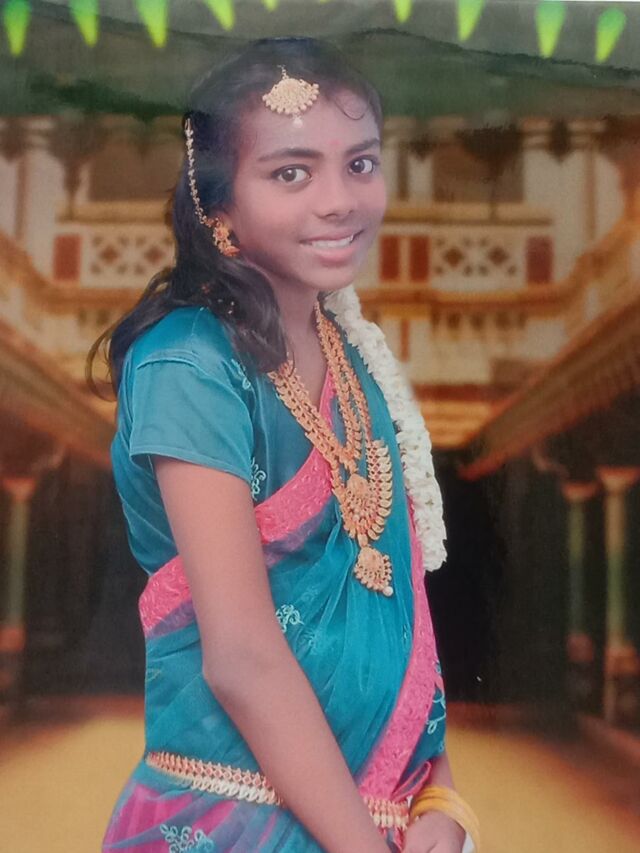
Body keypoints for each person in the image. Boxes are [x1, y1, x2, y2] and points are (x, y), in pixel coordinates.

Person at [90, 35, 480, 853]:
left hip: (377, 826)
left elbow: (398, 628)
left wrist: (442, 799)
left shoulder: (355, 359)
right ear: (219, 206)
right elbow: (241, 657)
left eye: (360, 164)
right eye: (291, 173)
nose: (339, 201)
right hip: (227, 823)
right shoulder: (188, 363)